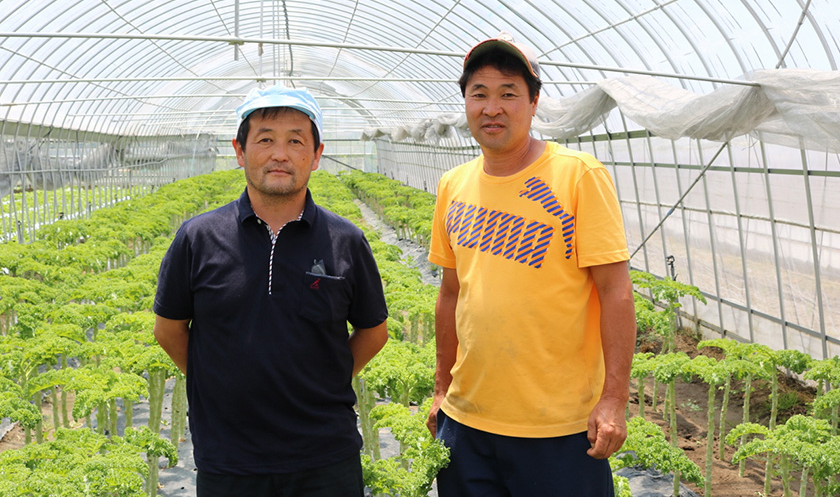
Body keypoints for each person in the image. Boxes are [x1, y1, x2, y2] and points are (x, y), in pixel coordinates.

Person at [425, 33, 636, 496]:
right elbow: (451, 294)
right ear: (465, 103)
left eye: (508, 94)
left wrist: (614, 399)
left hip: (559, 430)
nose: (492, 107)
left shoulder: (578, 175)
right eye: (479, 94)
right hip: (466, 423)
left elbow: (616, 291)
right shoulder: (452, 185)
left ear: (534, 102)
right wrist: (441, 388)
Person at [153, 84, 389, 497]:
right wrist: (218, 382)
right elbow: (169, 329)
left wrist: (323, 381)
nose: (280, 154)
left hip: (325, 457)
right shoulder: (198, 238)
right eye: (265, 140)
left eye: (295, 141)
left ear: (315, 155)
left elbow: (373, 331)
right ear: (240, 151)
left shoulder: (345, 239)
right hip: (229, 459)